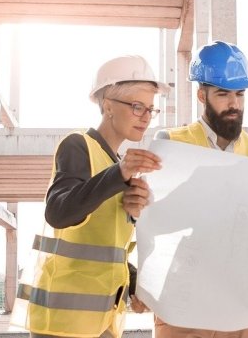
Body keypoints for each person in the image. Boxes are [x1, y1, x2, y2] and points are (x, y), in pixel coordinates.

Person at [15, 55, 166, 338]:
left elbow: (105, 252)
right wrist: (119, 174)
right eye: (137, 106)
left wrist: (136, 285)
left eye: (150, 109)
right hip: (62, 321)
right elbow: (59, 212)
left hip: (100, 322)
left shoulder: (116, 166)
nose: (145, 116)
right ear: (108, 105)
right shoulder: (78, 146)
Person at [151, 41, 248, 337]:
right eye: (223, 94)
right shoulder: (171, 144)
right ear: (201, 95)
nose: (234, 104)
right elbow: (152, 222)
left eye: (240, 94)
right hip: (182, 305)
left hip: (240, 308)